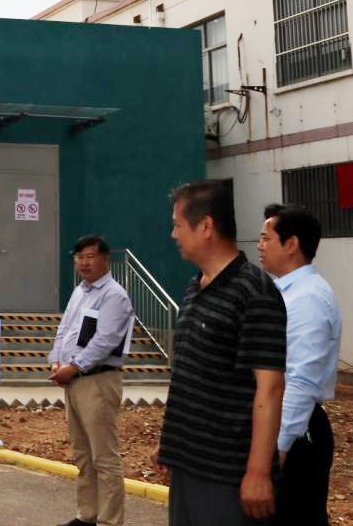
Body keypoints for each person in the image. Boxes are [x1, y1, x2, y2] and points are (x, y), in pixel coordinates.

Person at [154, 180, 286, 525]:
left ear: (206, 226)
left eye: (177, 225)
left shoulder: (254, 291)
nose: (173, 234)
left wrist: (258, 472)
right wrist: (171, 444)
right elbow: (191, 376)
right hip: (189, 466)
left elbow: (270, 388)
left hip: (228, 475)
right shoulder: (194, 289)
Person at [257, 203, 341, 525]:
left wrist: (277, 448)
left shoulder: (307, 299)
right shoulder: (286, 293)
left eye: (266, 238)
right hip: (283, 425)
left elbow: (300, 380)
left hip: (296, 433)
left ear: (291, 244)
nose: (260, 246)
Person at [47, 235, 134, 526]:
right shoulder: (80, 291)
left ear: (106, 259)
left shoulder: (114, 296)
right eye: (78, 257)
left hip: (98, 382)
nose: (83, 263)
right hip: (74, 380)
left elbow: (105, 340)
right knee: (83, 455)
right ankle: (87, 515)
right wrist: (56, 360)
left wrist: (73, 367)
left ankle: (109, 520)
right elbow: (64, 329)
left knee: (104, 457)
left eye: (90, 256)